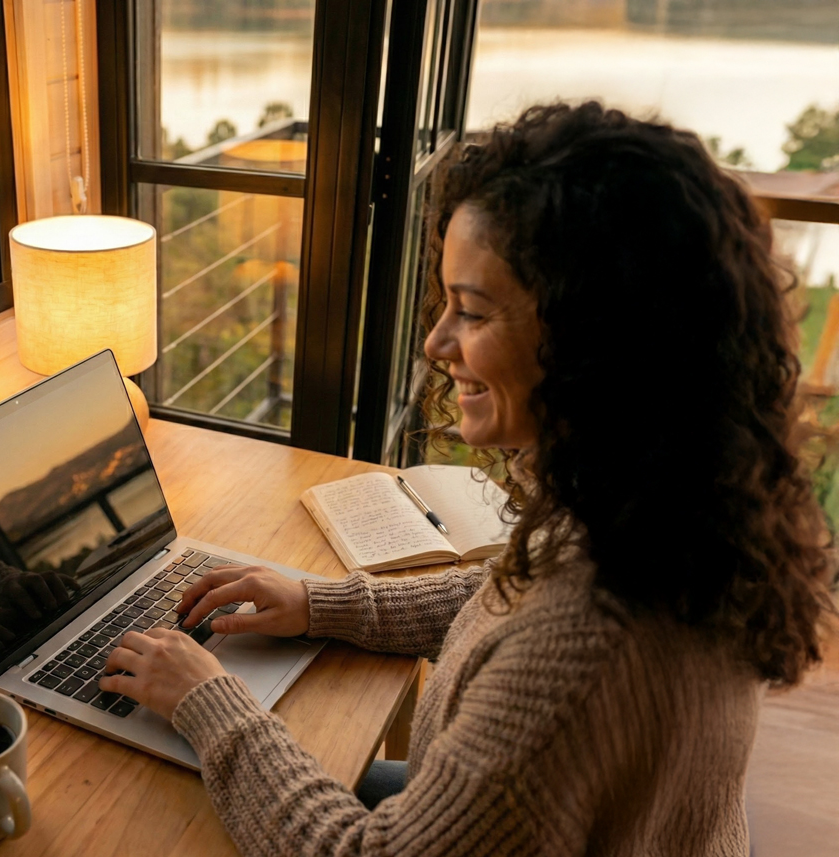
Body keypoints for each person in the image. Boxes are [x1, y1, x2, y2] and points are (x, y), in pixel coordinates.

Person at [100, 102, 836, 855]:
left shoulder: (580, 655)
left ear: (595, 341)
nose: (435, 339)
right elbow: (507, 596)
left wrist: (209, 701)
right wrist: (320, 603)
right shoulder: (667, 501)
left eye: (472, 311)